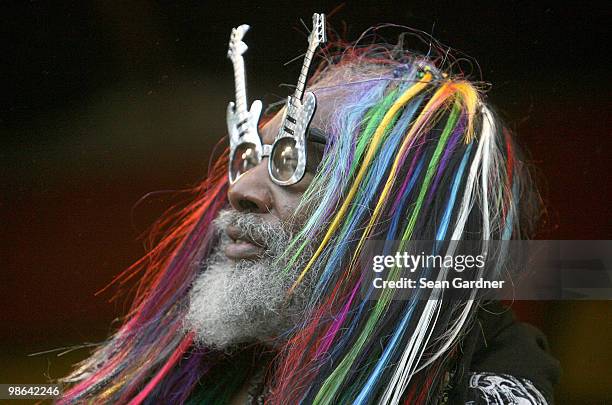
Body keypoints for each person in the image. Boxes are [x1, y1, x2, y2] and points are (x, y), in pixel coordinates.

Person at [59, 23, 560, 405]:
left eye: (296, 162)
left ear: (401, 217)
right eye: (252, 156)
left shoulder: (487, 380)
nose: (241, 191)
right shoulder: (199, 372)